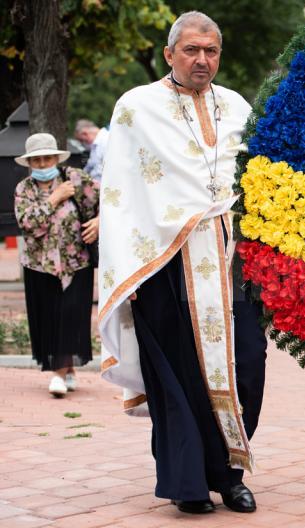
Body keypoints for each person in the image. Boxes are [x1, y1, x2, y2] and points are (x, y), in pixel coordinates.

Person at [98, 11, 266, 515]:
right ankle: (188, 482)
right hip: (164, 265)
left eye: (211, 50)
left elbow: (257, 178)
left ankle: (229, 472)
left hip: (230, 261)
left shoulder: (236, 106)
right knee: (179, 374)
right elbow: (121, 192)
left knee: (247, 364)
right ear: (170, 54)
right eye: (191, 50)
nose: (202, 59)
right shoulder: (136, 107)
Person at [14, 133, 100, 396]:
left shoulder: (75, 178)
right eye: (36, 161)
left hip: (77, 263)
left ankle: (58, 375)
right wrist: (55, 198)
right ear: (30, 164)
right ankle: (68, 370)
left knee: (70, 315)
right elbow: (27, 223)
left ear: (56, 158)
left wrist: (100, 222)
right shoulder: (24, 189)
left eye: (46, 158)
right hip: (39, 266)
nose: (42, 164)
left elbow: (108, 201)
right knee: (50, 319)